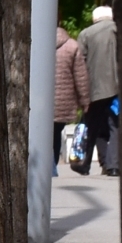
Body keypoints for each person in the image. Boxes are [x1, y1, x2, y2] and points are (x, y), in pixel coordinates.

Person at [73, 5, 119, 175]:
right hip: (118, 88)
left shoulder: (86, 34)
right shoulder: (119, 31)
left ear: (95, 18)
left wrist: (80, 92)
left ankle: (86, 164)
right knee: (115, 126)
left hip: (95, 88)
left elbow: (79, 63)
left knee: (93, 126)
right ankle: (113, 166)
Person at [52, 23, 89, 171]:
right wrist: (84, 100)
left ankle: (46, 168)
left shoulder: (35, 42)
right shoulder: (72, 46)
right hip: (63, 101)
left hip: (39, 101)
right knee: (56, 133)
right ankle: (52, 166)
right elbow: (81, 77)